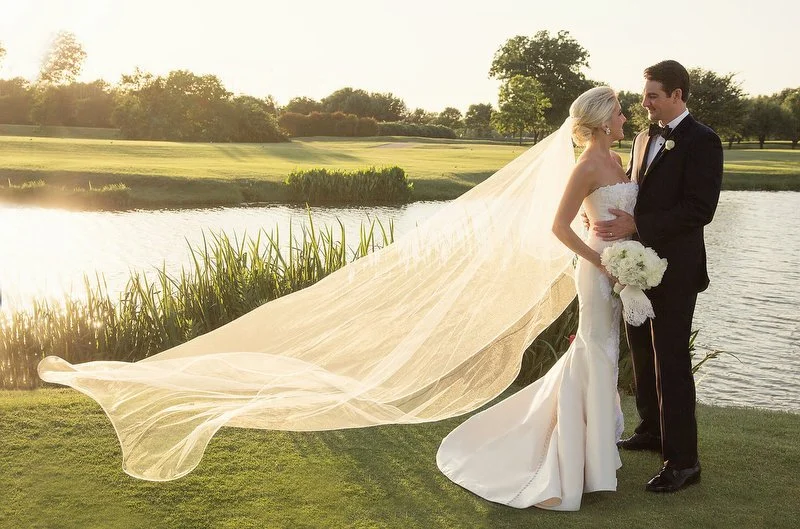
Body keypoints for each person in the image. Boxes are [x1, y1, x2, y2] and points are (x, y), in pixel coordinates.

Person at [436, 86, 634, 511]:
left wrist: (620, 244)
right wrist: (598, 262)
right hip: (598, 271)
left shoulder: (616, 161)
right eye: (619, 113)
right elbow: (560, 227)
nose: (624, 118)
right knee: (594, 351)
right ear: (602, 121)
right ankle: (579, 456)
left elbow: (600, 213)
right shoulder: (584, 167)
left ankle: (596, 450)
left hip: (618, 267)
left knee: (604, 352)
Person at [592, 60, 723, 492]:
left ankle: (684, 462)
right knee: (643, 353)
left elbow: (699, 209)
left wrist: (637, 226)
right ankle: (651, 429)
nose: (644, 102)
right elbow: (635, 190)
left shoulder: (704, 141)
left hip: (678, 270)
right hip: (637, 266)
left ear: (677, 95)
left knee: (671, 361)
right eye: (644, 94)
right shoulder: (645, 137)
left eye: (652, 95)